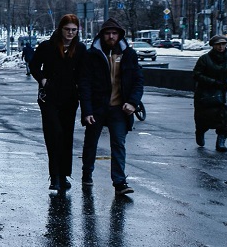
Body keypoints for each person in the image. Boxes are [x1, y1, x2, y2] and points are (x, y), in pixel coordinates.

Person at [79, 18, 143, 196]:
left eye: (114, 33)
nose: (111, 36)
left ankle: (119, 183)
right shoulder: (92, 54)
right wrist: (87, 111)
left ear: (119, 35)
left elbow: (138, 80)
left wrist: (133, 102)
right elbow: (84, 84)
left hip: (119, 109)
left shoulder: (128, 54)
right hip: (97, 108)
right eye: (107, 33)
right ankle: (87, 173)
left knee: (118, 145)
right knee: (91, 143)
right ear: (102, 35)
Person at [29, 15, 86, 193]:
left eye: (73, 30)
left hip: (70, 99)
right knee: (54, 134)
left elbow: (84, 73)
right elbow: (34, 65)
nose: (70, 33)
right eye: (67, 29)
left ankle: (63, 176)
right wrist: (43, 80)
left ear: (78, 31)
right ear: (60, 29)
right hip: (49, 98)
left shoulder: (80, 48)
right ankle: (54, 176)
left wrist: (79, 90)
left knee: (67, 136)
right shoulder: (48, 46)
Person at [193, 35, 227, 152]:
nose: (221, 47)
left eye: (223, 44)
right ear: (213, 45)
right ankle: (200, 131)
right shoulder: (205, 59)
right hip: (207, 94)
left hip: (225, 93)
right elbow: (197, 74)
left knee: (226, 119)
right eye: (218, 44)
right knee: (205, 118)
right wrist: (213, 82)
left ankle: (221, 141)